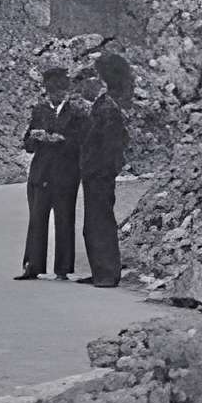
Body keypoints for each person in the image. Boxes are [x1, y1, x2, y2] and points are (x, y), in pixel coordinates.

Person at [16, 63, 85, 281]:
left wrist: (62, 141)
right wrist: (34, 139)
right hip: (41, 174)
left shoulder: (75, 113)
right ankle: (32, 266)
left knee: (64, 220)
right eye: (49, 92)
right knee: (37, 220)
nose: (53, 96)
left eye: (57, 91)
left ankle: (62, 269)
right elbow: (27, 144)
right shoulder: (40, 110)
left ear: (64, 91)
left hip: (66, 174)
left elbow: (82, 143)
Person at [73, 64, 129, 288]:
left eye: (83, 84)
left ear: (95, 83)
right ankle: (100, 272)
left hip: (100, 175)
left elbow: (113, 143)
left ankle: (107, 274)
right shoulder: (100, 107)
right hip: (95, 174)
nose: (80, 90)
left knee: (100, 222)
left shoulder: (107, 109)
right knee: (93, 224)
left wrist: (102, 170)